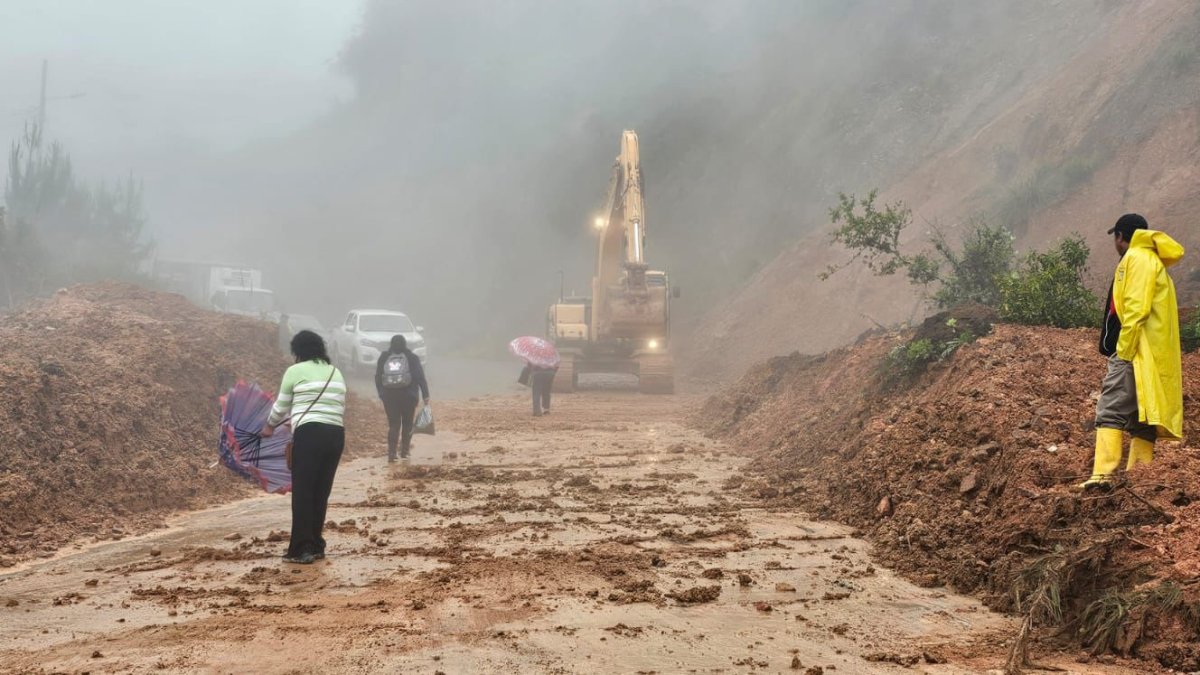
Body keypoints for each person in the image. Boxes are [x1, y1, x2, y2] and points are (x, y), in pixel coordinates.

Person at [1081, 214, 1185, 491]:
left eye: (1115, 238)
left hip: (1135, 350)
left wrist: (1123, 352)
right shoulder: (1153, 261)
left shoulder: (1136, 259)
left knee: (1110, 408)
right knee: (1142, 416)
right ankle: (1139, 479)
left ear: (1120, 236)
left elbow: (1136, 310)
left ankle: (1102, 477)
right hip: (1150, 353)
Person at [262, 330, 347, 564]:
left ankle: (301, 549)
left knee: (303, 492)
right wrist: (298, 417)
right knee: (321, 491)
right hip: (335, 435)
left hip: (309, 435)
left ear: (298, 351)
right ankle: (317, 544)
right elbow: (333, 404)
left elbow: (281, 406)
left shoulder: (294, 371)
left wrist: (269, 427)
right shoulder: (335, 372)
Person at [375, 334, 430, 463]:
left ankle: (391, 453)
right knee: (407, 424)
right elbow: (420, 377)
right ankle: (405, 452)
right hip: (409, 397)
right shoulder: (412, 358)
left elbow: (378, 377)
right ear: (405, 344)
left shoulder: (384, 357)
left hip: (389, 397)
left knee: (393, 424)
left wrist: (381, 393)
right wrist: (425, 395)